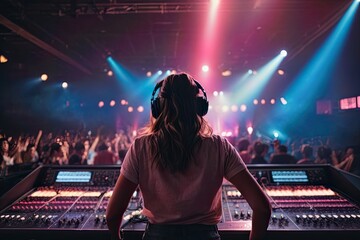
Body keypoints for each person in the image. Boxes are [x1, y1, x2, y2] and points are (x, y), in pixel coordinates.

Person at [106, 73, 271, 240]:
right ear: (200, 106)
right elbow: (262, 208)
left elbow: (112, 215)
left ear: (158, 107)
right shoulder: (220, 147)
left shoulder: (140, 147)